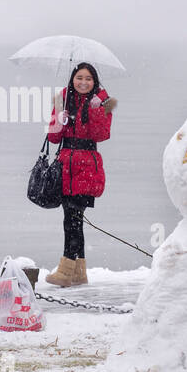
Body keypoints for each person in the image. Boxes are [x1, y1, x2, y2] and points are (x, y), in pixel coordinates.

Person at [43, 62, 116, 287]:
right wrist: (59, 119)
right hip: (66, 164)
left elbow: (102, 134)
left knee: (72, 219)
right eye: (79, 77)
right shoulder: (62, 99)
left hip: (87, 165)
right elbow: (53, 138)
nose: (83, 82)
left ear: (95, 82)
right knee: (74, 220)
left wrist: (95, 109)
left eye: (88, 78)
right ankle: (79, 272)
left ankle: (66, 271)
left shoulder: (105, 102)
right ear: (73, 79)